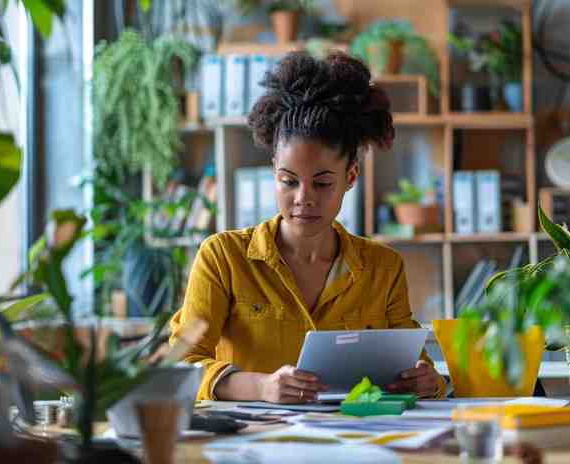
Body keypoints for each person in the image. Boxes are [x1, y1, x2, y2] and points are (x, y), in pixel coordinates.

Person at [169, 51, 446, 403]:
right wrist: (261, 387)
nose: (304, 198)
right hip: (254, 444)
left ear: (350, 177)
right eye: (288, 181)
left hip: (355, 443)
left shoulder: (383, 267)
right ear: (274, 174)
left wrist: (425, 382)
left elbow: (417, 369)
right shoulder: (223, 257)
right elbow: (181, 365)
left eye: (322, 183)